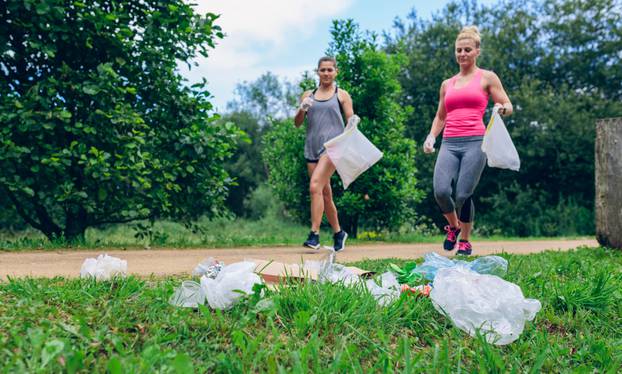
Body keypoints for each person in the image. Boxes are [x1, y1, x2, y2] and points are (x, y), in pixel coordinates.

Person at [423, 26, 513, 255]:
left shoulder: (487, 77)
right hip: (450, 143)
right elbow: (441, 116)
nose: (462, 54)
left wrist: (502, 108)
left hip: (475, 142)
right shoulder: (447, 84)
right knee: (441, 191)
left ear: (477, 52)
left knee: (463, 194)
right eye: (458, 50)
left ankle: (465, 239)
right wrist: (432, 136)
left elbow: (508, 105)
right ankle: (453, 227)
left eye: (467, 50)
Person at [294, 56, 354, 252]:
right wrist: (302, 110)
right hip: (311, 147)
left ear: (336, 71)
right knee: (324, 193)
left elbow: (350, 119)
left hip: (332, 148)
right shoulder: (308, 95)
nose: (326, 73)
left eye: (330, 70)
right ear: (317, 72)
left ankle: (314, 234)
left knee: (314, 187)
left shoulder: (341, 95)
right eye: (323, 70)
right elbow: (297, 123)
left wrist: (353, 122)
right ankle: (338, 233)